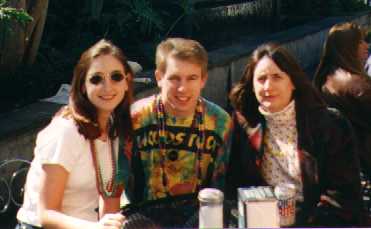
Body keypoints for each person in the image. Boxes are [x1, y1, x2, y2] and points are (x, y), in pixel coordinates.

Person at [227, 43, 361, 226]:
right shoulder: (244, 124)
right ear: (252, 85)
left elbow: (343, 198)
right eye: (261, 79)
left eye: (277, 77)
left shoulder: (330, 125)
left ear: (293, 82)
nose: (268, 86)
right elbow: (235, 186)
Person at [16, 39, 133, 229]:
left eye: (116, 77)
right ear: (82, 86)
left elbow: (108, 198)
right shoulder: (66, 131)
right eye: (96, 79)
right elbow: (46, 215)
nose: (108, 87)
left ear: (127, 82)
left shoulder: (113, 126)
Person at [128, 38, 233, 202]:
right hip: (142, 218)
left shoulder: (220, 122)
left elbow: (221, 185)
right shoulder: (136, 118)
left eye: (192, 78)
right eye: (174, 78)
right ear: (159, 77)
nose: (182, 88)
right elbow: (119, 184)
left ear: (203, 79)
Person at [314, 22, 371, 178]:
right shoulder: (356, 85)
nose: (366, 46)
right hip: (363, 156)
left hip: (345, 155)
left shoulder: (325, 75)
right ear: (347, 47)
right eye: (360, 42)